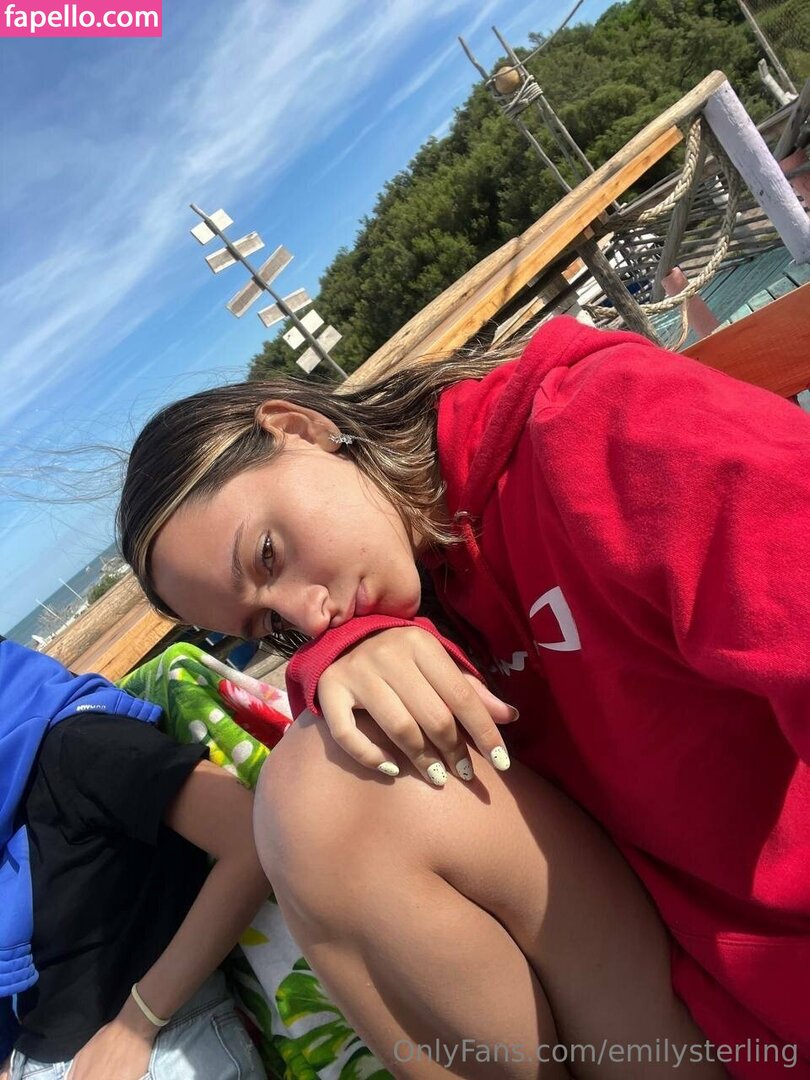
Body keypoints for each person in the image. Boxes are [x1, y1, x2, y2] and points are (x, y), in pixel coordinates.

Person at [117, 315, 810, 1077]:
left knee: (317, 800)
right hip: (694, 988)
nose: (308, 617)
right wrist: (339, 655)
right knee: (311, 793)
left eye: (269, 554)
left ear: (300, 430)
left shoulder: (601, 423)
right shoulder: (409, 590)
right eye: (267, 626)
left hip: (767, 963)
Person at [0, 639, 269, 1080]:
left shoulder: (77, 743)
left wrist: (136, 1024)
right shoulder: (11, 791)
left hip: (152, 1049)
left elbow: (251, 837)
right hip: (45, 1055)